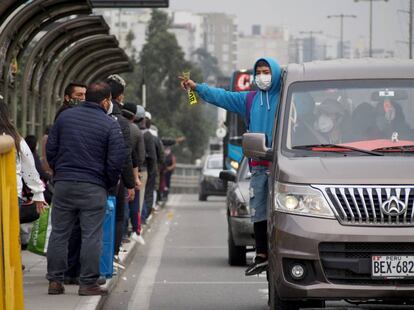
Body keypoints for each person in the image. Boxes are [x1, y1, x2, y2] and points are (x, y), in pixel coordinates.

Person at [180, 57, 282, 276]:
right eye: (259, 72)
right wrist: (197, 88)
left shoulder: (286, 98)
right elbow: (223, 97)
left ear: (275, 74)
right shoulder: (249, 100)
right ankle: (261, 255)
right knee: (258, 210)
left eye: (267, 72)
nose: (263, 76)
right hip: (257, 167)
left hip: (282, 168)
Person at [46, 82, 126, 296]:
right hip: (93, 186)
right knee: (91, 235)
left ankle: (55, 281)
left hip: (63, 184)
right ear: (106, 101)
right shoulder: (110, 124)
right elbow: (116, 161)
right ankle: (88, 283)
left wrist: (59, 171)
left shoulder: (64, 118)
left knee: (60, 233)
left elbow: (50, 149)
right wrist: (106, 183)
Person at [0, 100, 46, 238]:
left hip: (11, 193)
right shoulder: (16, 138)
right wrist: (37, 193)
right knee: (8, 235)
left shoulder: (14, 138)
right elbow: (29, 167)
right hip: (12, 193)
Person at [105, 74, 135, 260]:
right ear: (118, 97)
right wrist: (130, 183)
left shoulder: (70, 116)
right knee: (115, 217)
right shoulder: (121, 122)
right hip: (113, 181)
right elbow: (125, 155)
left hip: (88, 178)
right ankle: (110, 257)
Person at [121, 102, 145, 244]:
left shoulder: (112, 122)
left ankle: (123, 233)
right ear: (134, 116)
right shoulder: (136, 130)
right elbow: (140, 155)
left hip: (114, 169)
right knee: (131, 202)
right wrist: (137, 172)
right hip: (131, 169)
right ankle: (130, 231)